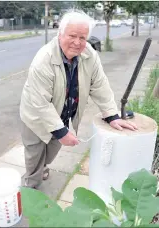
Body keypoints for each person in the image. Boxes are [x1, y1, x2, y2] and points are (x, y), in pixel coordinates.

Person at [20, 10, 137, 189]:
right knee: (34, 153)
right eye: (72, 36)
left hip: (61, 114)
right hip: (35, 115)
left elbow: (100, 85)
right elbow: (40, 104)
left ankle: (43, 166)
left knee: (51, 152)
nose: (77, 42)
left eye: (82, 37)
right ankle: (31, 186)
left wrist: (112, 115)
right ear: (60, 34)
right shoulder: (43, 59)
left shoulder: (89, 54)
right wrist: (61, 132)